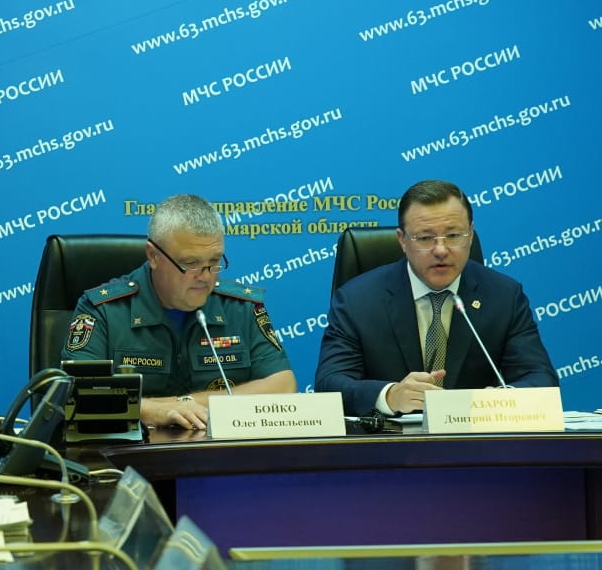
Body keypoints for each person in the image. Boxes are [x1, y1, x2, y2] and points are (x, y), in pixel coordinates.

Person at [314, 179, 557, 416]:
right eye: (425, 238)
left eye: (453, 235)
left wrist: (502, 399)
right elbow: (330, 384)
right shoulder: (357, 300)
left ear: (470, 235)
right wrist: (389, 395)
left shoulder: (504, 296)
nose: (441, 250)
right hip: (389, 440)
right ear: (402, 240)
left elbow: (541, 379)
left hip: (474, 437)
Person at [60, 194, 296, 432]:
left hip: (220, 450)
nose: (205, 276)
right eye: (190, 263)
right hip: (128, 451)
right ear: (153, 256)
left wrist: (183, 403)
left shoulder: (241, 307)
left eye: (214, 261)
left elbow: (284, 386)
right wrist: (155, 412)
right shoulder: (103, 310)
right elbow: (79, 395)